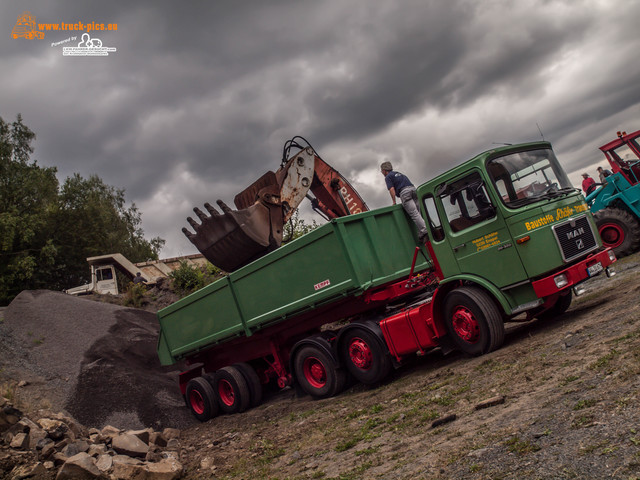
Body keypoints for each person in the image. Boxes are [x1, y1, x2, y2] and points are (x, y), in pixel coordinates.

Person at [380, 161, 429, 241]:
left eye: (382, 171)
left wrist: (394, 202)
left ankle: (425, 230)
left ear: (385, 170)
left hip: (405, 193)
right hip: (413, 190)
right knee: (418, 213)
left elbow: (391, 189)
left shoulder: (388, 177)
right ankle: (421, 233)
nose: (382, 172)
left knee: (414, 214)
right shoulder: (399, 174)